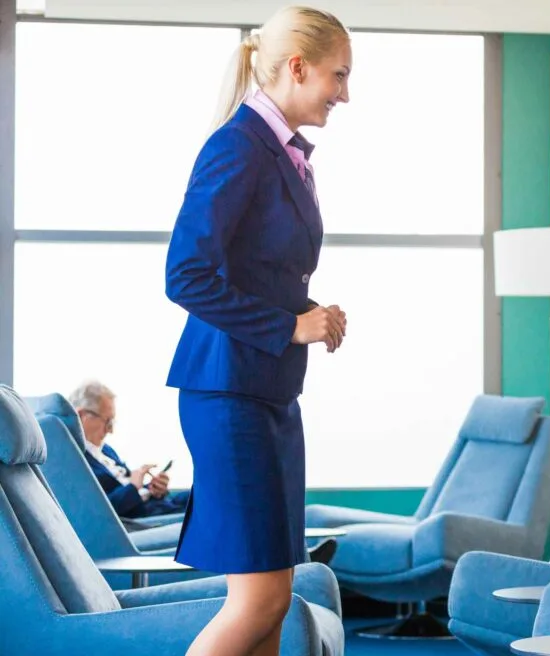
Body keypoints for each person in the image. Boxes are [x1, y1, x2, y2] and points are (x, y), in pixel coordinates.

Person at [164, 6, 351, 655]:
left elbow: (258, 269)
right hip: (229, 394)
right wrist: (289, 325)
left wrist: (310, 314)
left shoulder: (282, 153)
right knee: (261, 598)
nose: (345, 93)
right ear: (297, 67)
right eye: (338, 75)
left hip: (268, 394)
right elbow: (185, 275)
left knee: (273, 603)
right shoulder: (237, 144)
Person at [69, 380, 189, 518]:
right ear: (81, 415)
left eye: (112, 422)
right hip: (145, 518)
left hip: (156, 504)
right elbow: (98, 513)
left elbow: (125, 485)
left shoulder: (106, 450)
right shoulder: (76, 462)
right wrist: (133, 486)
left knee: (205, 493)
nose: (111, 430)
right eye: (107, 421)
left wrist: (153, 489)